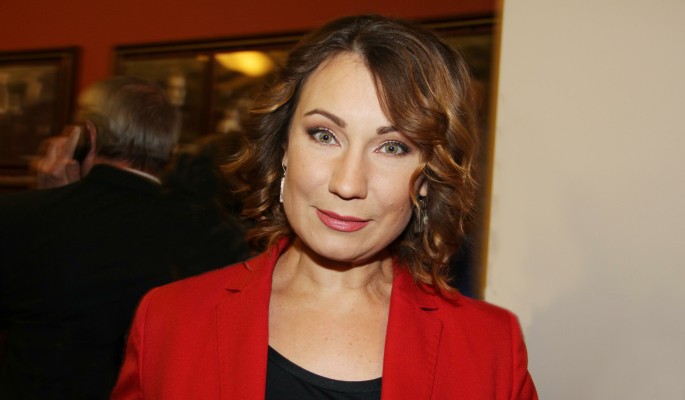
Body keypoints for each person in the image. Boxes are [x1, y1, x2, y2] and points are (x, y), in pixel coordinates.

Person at [111, 15, 538, 399]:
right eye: (324, 135)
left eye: (392, 147)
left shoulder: (490, 347)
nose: (347, 184)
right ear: (283, 146)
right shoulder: (169, 321)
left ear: (428, 177)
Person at [0, 76, 248, 399]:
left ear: (89, 136)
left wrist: (52, 201)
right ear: (170, 148)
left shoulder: (20, 215)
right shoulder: (210, 232)